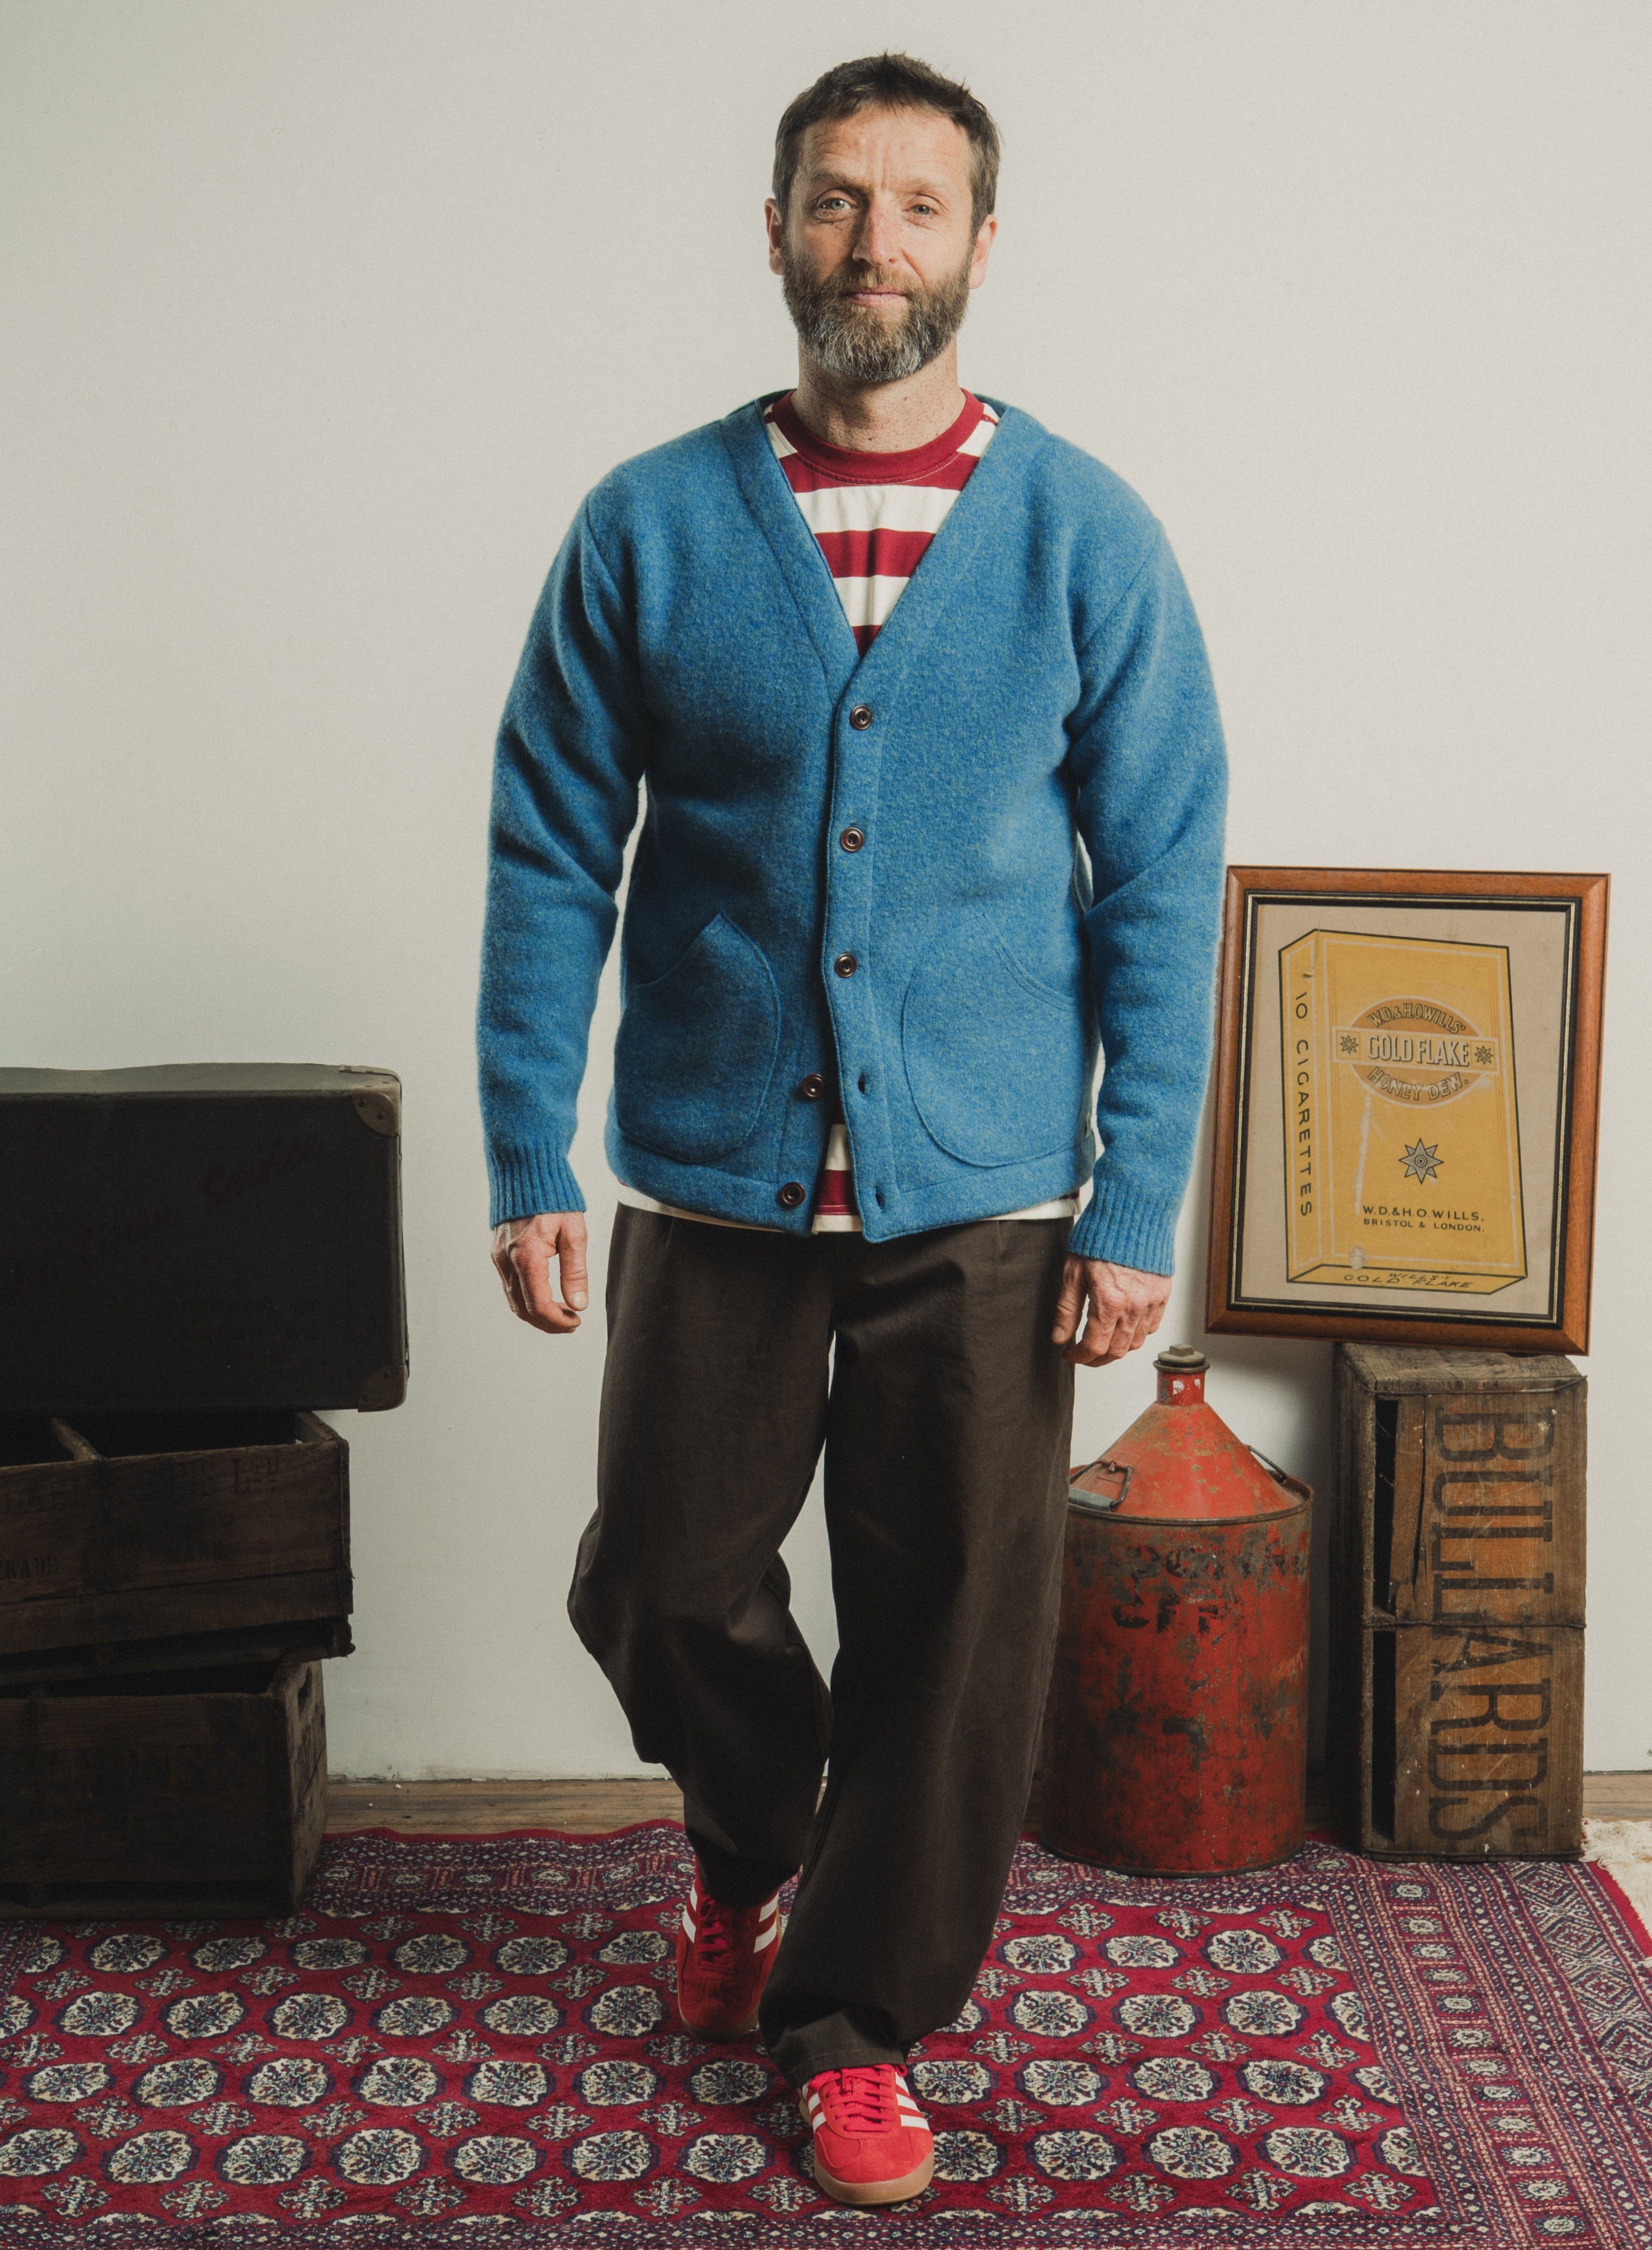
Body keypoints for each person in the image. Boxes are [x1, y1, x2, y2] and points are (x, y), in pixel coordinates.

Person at [478, 51, 1226, 2208]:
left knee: (960, 1629)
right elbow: (551, 846)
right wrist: (532, 1142)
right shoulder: (649, 522)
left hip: (989, 1192)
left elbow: (1164, 873)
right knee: (664, 1579)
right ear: (778, 227)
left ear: (984, 245)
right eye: (833, 200)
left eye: (916, 206)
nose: (870, 244)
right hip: (714, 1167)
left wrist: (1131, 1189)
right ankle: (750, 1858)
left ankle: (857, 2019)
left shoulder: (1087, 535)